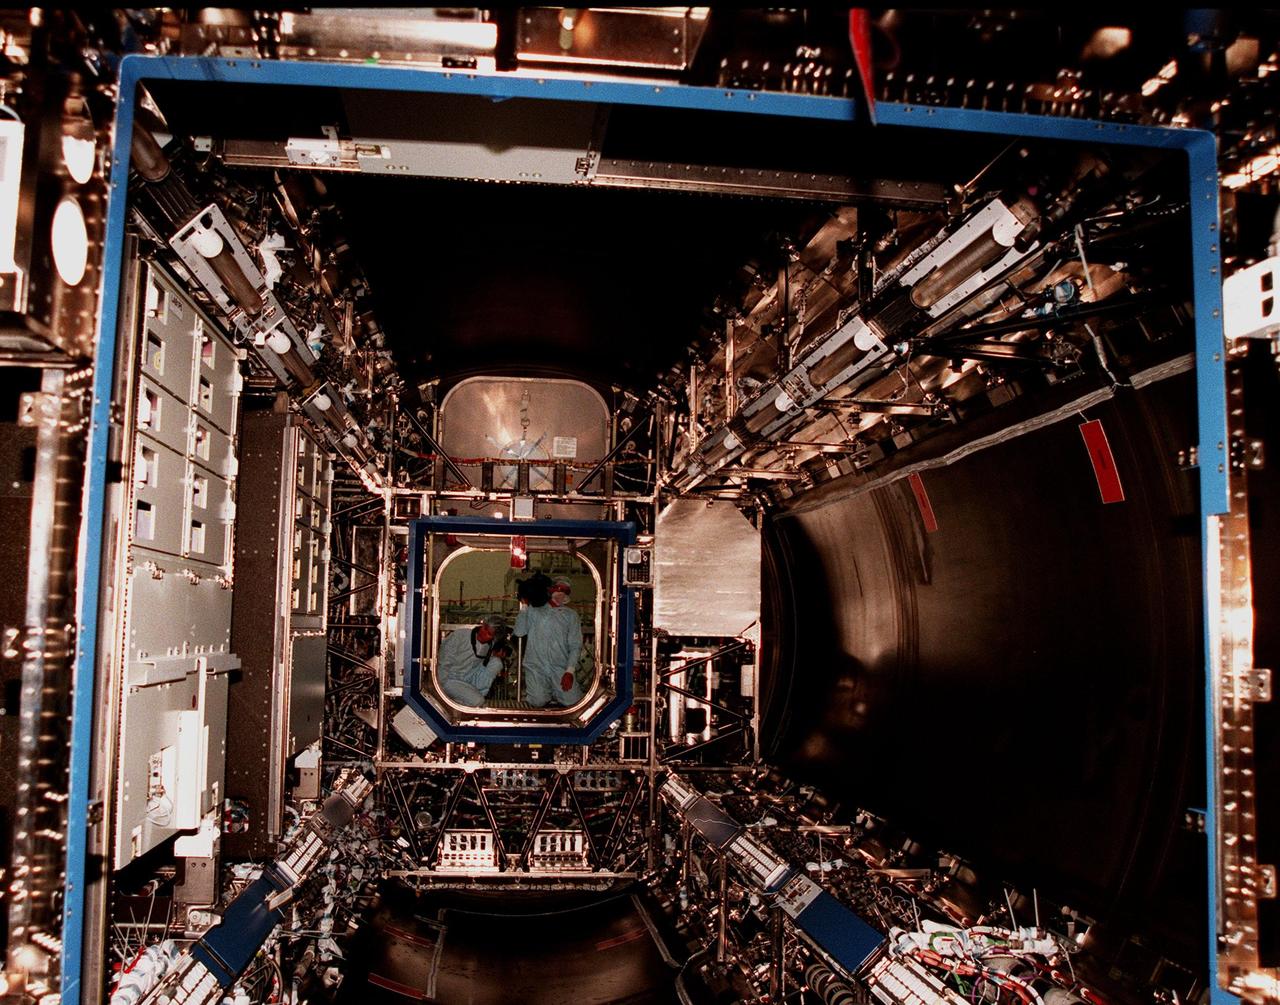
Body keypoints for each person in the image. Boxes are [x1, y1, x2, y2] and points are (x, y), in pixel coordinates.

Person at [514, 574, 583, 708]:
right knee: (537, 701)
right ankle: (545, 694)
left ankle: (557, 693)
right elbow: (519, 632)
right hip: (536, 667)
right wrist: (525, 606)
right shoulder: (534, 610)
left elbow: (575, 645)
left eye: (565, 590)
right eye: (559, 588)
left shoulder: (571, 616)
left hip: (560, 668)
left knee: (573, 702)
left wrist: (569, 671)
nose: (561, 593)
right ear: (550, 589)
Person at [436, 615, 507, 707]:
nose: (483, 632)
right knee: (478, 701)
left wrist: (496, 656)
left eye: (489, 634)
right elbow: (443, 660)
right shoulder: (460, 635)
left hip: (468, 679)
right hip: (449, 679)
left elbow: (483, 664)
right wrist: (440, 687)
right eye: (484, 628)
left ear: (494, 638)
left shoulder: (489, 646)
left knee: (496, 662)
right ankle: (457, 702)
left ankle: (473, 695)